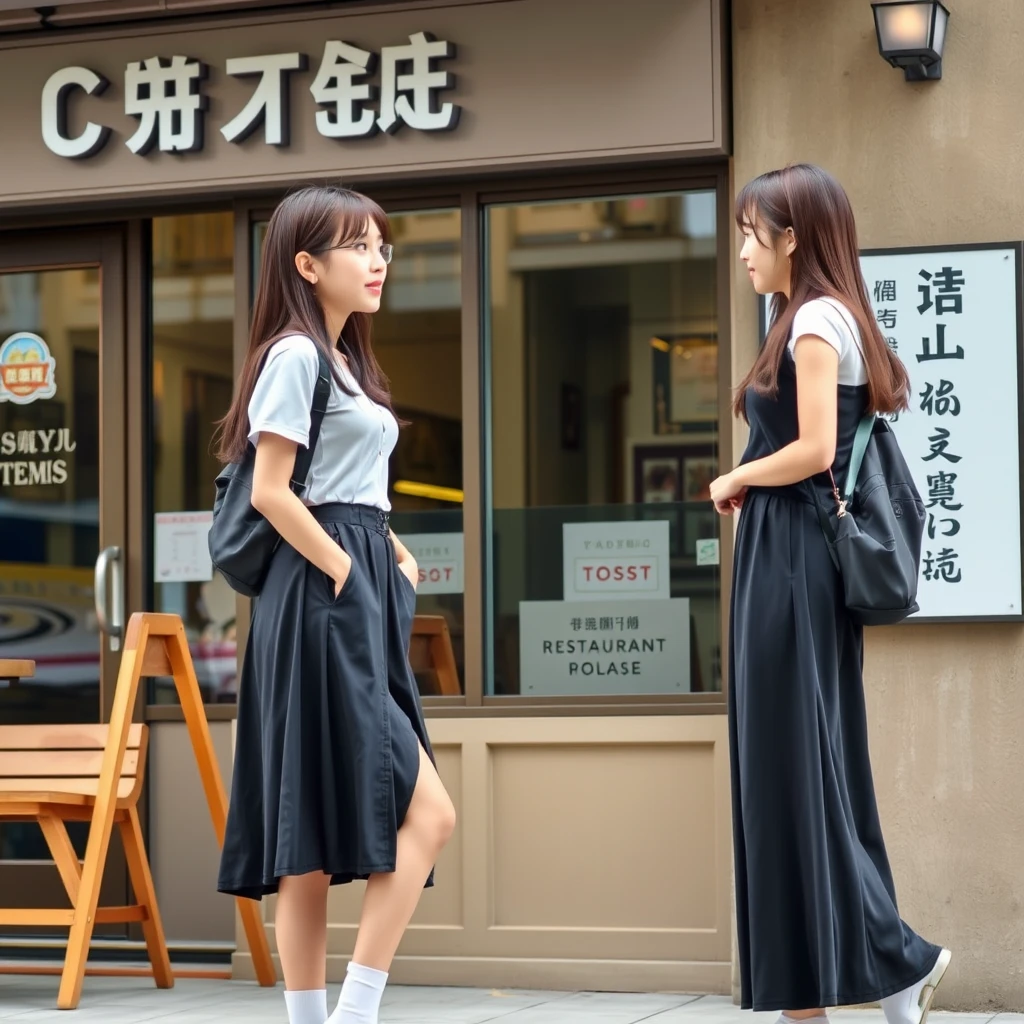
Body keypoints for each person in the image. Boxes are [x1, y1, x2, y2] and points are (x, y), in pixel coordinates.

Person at [710, 164, 951, 1024]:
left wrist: (733, 475)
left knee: (794, 770)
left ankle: (869, 974)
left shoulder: (813, 318)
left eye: (752, 232)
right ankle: (869, 979)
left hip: (793, 560)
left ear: (794, 238)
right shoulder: (796, 316)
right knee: (800, 770)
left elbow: (816, 448)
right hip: (786, 554)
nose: (742, 248)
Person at [213, 185, 457, 1024]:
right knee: (417, 815)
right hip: (320, 602)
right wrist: (344, 570)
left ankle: (331, 1017)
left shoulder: (349, 361)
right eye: (357, 247)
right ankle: (351, 1013)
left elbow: (340, 486)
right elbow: (275, 492)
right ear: (307, 265)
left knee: (332, 829)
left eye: (381, 244)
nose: (378, 259)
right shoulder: (295, 356)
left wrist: (385, 546)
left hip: (351, 587)